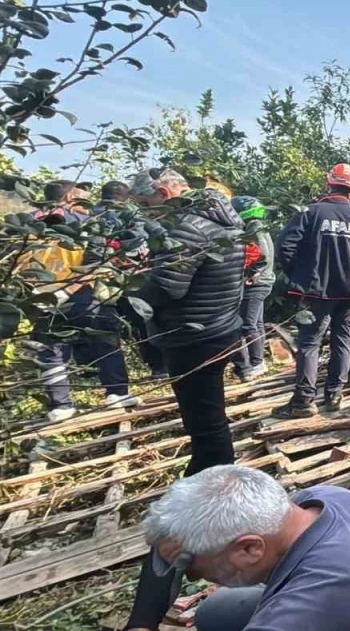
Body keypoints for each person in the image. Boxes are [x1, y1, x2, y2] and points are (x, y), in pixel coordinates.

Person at [124, 465, 350, 631]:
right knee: (216, 611)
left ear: (249, 549)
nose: (193, 576)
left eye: (194, 570)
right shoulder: (324, 499)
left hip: (345, 605)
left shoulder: (303, 610)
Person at [131, 168, 246, 475]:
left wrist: (129, 287)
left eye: (145, 205)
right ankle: (211, 473)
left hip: (195, 336)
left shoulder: (186, 226)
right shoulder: (221, 220)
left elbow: (167, 288)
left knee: (204, 422)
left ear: (163, 194)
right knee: (209, 415)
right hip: (221, 326)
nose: (146, 213)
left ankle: (213, 482)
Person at [275, 164, 350, 417]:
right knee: (343, 340)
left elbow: (285, 246)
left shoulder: (309, 213)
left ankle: (303, 402)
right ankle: (334, 396)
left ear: (328, 184)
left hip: (316, 290)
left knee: (310, 343)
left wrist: (298, 274)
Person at [24, 180, 135, 421]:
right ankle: (117, 393)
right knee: (105, 339)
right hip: (82, 292)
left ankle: (60, 406)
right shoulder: (85, 223)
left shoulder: (25, 223)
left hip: (39, 296)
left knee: (50, 350)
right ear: (69, 198)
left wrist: (33, 293)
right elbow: (96, 262)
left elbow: (14, 262)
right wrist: (68, 290)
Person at [96, 180, 168, 381]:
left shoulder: (92, 214)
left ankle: (115, 376)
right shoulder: (132, 212)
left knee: (115, 323)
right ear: (127, 197)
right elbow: (159, 234)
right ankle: (161, 366)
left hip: (104, 277)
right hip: (137, 273)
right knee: (146, 317)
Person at [230, 196, 274, 382]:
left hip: (257, 283)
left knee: (247, 324)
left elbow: (261, 255)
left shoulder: (253, 228)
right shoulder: (258, 226)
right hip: (263, 281)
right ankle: (258, 361)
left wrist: (252, 272)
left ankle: (256, 363)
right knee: (257, 323)